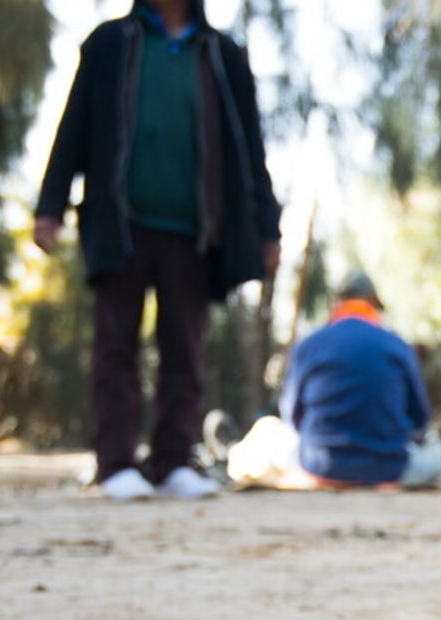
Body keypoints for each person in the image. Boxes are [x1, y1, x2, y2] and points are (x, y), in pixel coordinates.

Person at [34, 0, 282, 501]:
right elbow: (73, 126)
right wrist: (50, 204)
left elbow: (250, 146)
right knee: (114, 346)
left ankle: (174, 461)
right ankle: (117, 464)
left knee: (185, 350)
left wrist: (266, 228)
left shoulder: (222, 55)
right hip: (119, 224)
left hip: (195, 230)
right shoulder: (110, 44)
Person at [226, 271, 441, 490]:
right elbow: (420, 419)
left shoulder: (309, 345)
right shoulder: (398, 345)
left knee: (265, 429)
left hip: (318, 466)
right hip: (388, 469)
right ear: (372, 301)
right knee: (440, 455)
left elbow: (291, 417)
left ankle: (229, 456)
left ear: (336, 302)